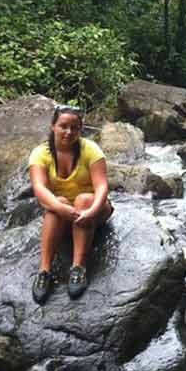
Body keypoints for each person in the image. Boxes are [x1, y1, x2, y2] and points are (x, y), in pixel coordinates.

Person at [28, 104, 112, 304]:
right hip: (62, 212)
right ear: (53, 127)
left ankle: (78, 268)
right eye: (63, 126)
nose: (69, 132)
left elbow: (101, 186)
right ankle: (44, 271)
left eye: (74, 127)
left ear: (80, 129)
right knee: (57, 202)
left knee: (83, 199)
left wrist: (92, 210)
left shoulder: (91, 150)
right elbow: (39, 189)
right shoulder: (40, 153)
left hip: (93, 208)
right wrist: (61, 208)